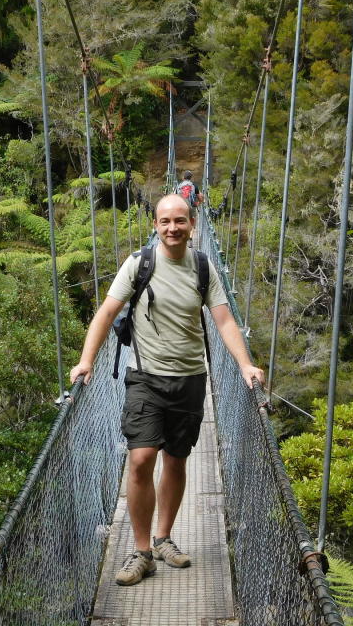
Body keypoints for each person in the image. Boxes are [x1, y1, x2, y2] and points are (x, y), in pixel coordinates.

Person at [70, 194, 263, 586]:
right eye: (165, 221)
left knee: (176, 460)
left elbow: (224, 321)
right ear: (155, 225)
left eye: (180, 221)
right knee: (141, 459)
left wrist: (245, 365)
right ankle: (142, 552)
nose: (172, 228)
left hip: (191, 379)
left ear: (193, 224)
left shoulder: (203, 268)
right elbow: (106, 312)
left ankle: (163, 538)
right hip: (145, 377)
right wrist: (86, 360)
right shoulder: (138, 265)